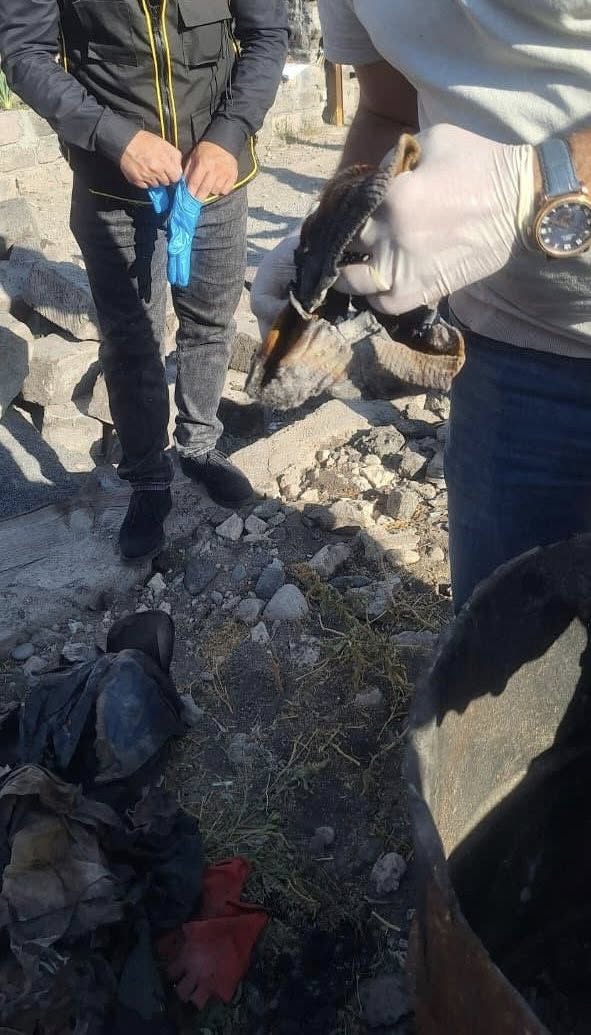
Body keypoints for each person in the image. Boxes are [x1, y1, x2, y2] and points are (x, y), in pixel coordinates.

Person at [252, 0, 591, 609]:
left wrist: (543, 183)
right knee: (499, 633)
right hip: (505, 351)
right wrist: (329, 234)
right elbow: (389, 109)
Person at [0, 1, 288, 561]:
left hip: (214, 178)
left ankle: (200, 445)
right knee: (131, 339)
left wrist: (229, 133)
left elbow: (268, 34)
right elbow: (25, 54)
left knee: (210, 322)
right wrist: (115, 137)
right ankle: (148, 477)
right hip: (110, 184)